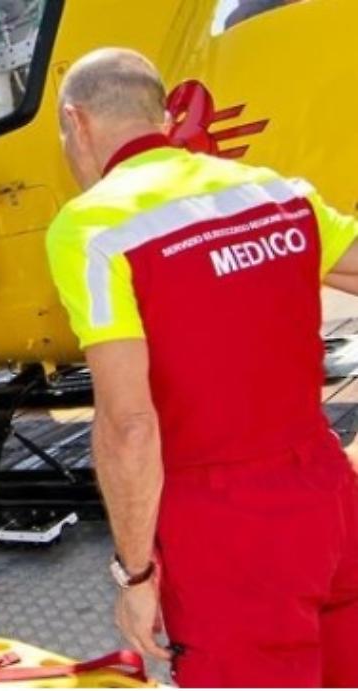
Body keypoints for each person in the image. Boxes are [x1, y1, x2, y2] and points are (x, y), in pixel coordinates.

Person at [46, 47, 358, 686]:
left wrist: (135, 575)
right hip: (331, 497)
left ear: (76, 123)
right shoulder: (277, 191)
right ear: (162, 115)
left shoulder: (93, 229)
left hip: (226, 533)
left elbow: (129, 425)